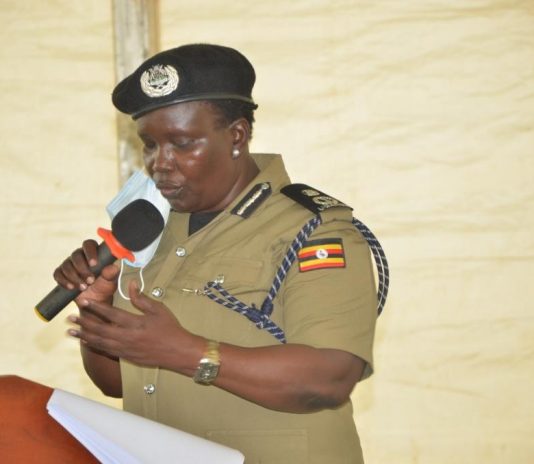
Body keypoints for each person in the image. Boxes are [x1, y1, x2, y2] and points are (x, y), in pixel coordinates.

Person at [56, 43, 381, 464]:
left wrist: (186, 351)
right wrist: (97, 306)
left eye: (181, 143)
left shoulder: (313, 230)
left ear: (237, 136)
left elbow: (329, 378)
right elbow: (117, 383)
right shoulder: (150, 230)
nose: (160, 163)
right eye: (149, 144)